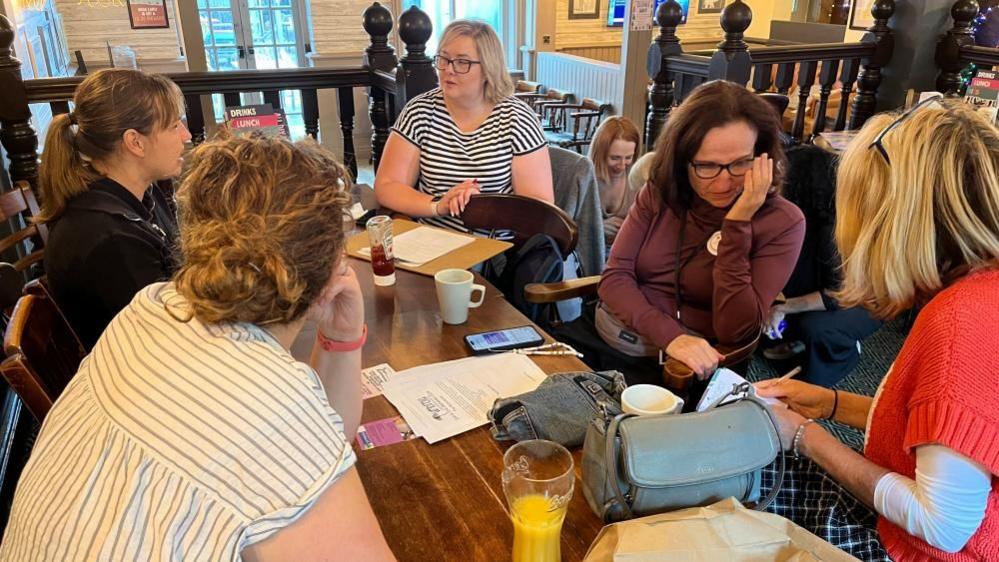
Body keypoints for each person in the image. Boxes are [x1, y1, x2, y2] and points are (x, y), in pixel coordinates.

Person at [0, 137, 396, 562]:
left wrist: (342, 335)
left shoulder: (150, 308)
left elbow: (324, 441)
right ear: (330, 263)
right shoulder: (271, 401)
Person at [756, 98, 999, 560]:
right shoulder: (980, 294)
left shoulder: (961, 322)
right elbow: (944, 440)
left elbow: (941, 525)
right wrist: (830, 403)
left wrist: (806, 437)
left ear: (894, 220)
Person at [556, 81, 805, 389]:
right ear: (681, 160)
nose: (725, 182)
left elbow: (735, 331)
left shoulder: (783, 222)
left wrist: (738, 224)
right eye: (707, 166)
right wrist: (671, 336)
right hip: (611, 335)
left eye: (741, 163)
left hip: (680, 369)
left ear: (763, 158)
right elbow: (615, 277)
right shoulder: (661, 193)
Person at [38, 68, 189, 350]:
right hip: (144, 377)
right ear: (135, 142)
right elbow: (167, 338)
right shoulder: (109, 237)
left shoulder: (143, 193)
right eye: (174, 126)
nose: (186, 135)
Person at [374, 19, 554, 237]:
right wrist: (439, 205)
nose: (449, 69)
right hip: (430, 241)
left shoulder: (517, 119)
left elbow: (538, 208)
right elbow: (387, 185)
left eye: (462, 62)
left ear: (488, 68)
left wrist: (480, 207)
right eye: (443, 58)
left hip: (495, 253)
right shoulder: (419, 111)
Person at [761, 144, 882, 387]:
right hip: (821, 292)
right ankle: (796, 338)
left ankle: (844, 352)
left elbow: (838, 294)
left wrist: (782, 308)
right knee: (766, 321)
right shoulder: (792, 221)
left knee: (816, 329)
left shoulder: (834, 233)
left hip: (860, 301)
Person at [588, 116, 641, 248]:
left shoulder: (639, 178)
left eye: (628, 157)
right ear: (600, 153)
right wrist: (598, 227)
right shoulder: (585, 178)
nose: (622, 165)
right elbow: (567, 225)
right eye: (615, 158)